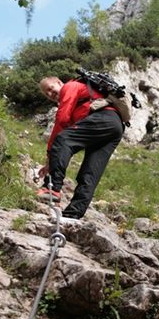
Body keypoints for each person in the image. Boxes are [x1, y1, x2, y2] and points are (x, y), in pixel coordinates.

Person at [37, 76, 124, 223]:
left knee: (62, 139)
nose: (50, 94)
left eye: (51, 89)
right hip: (115, 127)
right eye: (47, 94)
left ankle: (52, 188)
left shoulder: (70, 87)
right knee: (90, 172)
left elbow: (62, 120)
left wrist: (49, 155)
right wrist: (50, 161)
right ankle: (73, 213)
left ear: (59, 83)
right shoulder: (81, 100)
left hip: (102, 118)